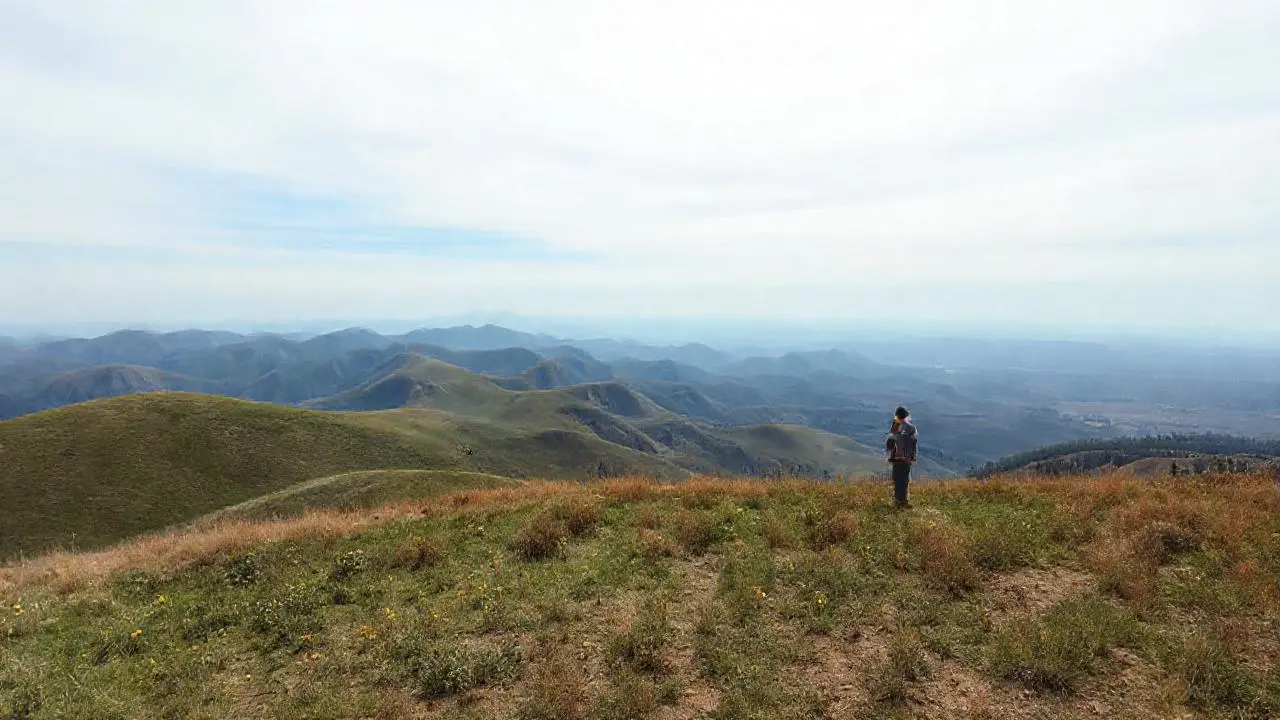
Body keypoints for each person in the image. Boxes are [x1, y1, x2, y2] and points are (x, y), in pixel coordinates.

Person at [886, 406, 918, 508]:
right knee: (905, 480)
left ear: (897, 416)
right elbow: (914, 443)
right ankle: (904, 501)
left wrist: (889, 454)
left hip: (896, 459)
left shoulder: (895, 427)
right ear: (907, 416)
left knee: (897, 479)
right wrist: (913, 456)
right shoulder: (912, 428)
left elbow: (890, 444)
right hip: (907, 459)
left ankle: (898, 501)